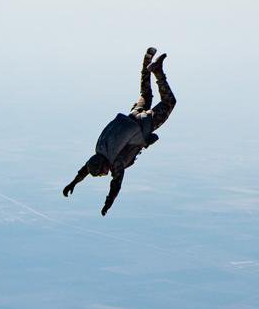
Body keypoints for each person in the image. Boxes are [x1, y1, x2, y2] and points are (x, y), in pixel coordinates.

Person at [64, 48, 176, 215]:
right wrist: (73, 183)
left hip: (145, 122)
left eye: (102, 173)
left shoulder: (114, 161)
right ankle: (147, 62)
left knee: (169, 102)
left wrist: (107, 204)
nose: (104, 175)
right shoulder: (99, 150)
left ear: (103, 166)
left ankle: (157, 71)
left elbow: (116, 184)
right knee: (145, 94)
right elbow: (85, 170)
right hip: (132, 114)